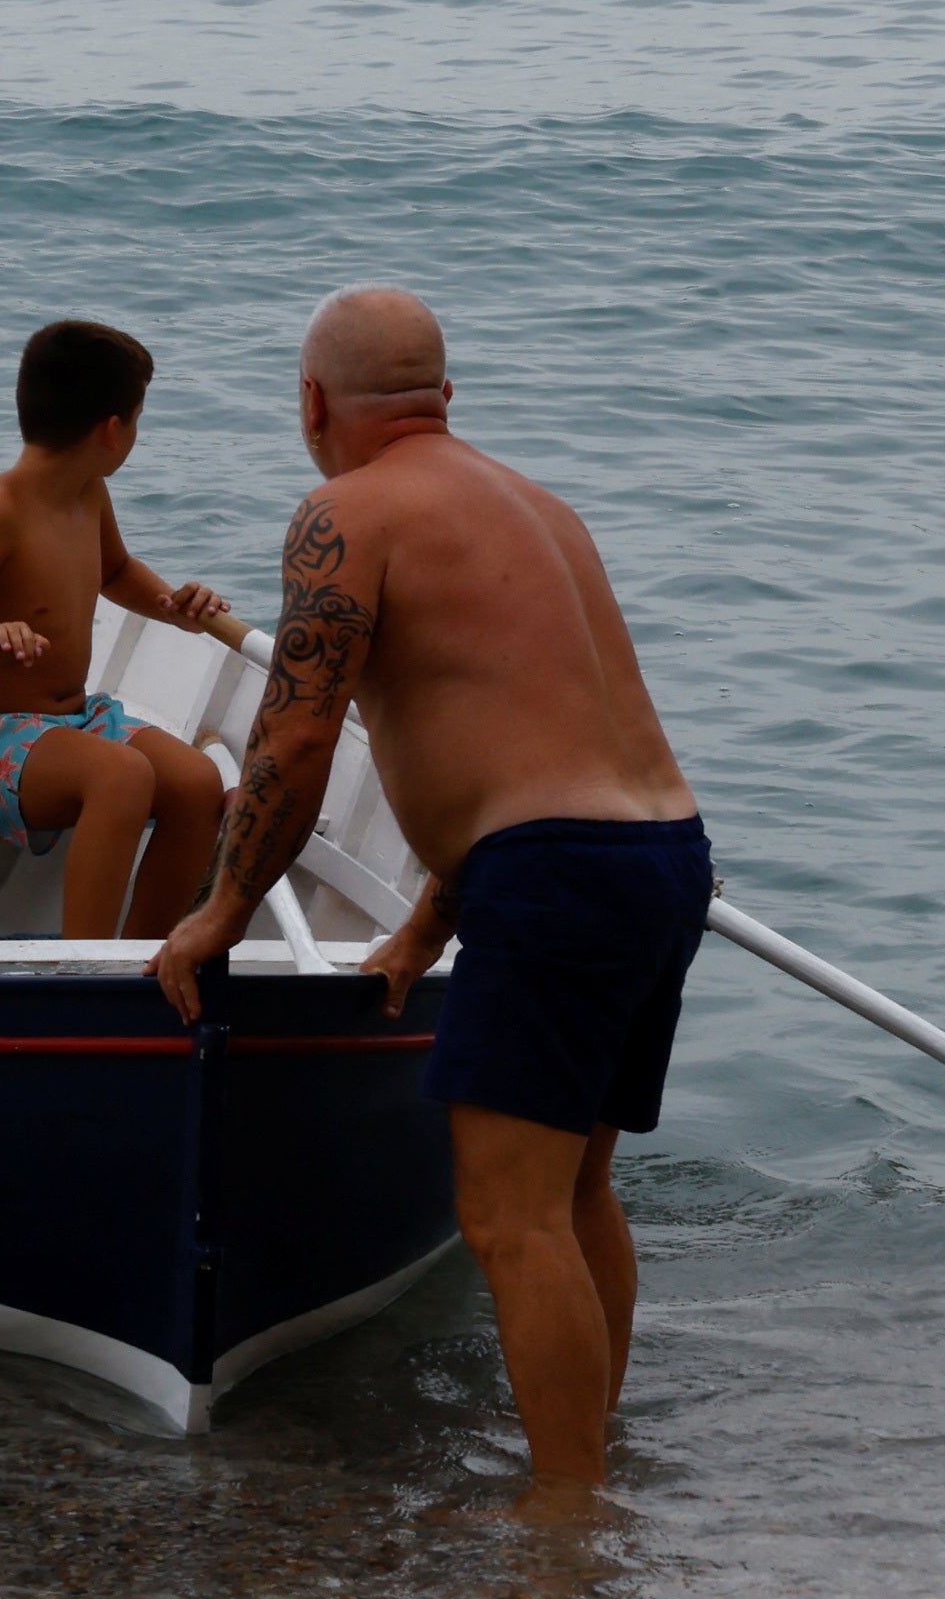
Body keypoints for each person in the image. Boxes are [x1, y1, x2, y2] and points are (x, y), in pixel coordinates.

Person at [147, 288, 703, 1503]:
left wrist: (216, 915)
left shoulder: (344, 516)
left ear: (310, 403)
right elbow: (520, 742)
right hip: (662, 855)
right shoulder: (541, 508)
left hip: (556, 875)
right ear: (444, 398)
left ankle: (565, 1527)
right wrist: (418, 928)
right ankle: (592, 1472)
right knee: (575, 1189)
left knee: (510, 1218)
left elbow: (291, 750)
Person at [0, 320, 244, 939]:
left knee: (196, 784)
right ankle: (86, 969)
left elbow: (116, 570)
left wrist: (172, 605)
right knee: (121, 775)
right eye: (138, 419)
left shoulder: (90, 493)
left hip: (75, 721)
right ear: (113, 430)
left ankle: (149, 958)